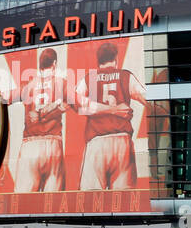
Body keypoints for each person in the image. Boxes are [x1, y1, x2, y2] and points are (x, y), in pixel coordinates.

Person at [75, 42, 148, 190]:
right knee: (123, 198)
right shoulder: (125, 75)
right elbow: (148, 99)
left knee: (91, 198)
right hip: (122, 141)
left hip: (97, 141)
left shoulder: (88, 78)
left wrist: (105, 109)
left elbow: (77, 103)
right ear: (116, 59)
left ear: (98, 61)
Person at [16, 48, 68, 192]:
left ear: (40, 65)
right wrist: (53, 109)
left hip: (30, 144)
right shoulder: (62, 83)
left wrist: (39, 115)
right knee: (52, 204)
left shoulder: (28, 85)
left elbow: (4, 97)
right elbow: (74, 104)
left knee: (23, 203)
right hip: (53, 143)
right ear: (55, 63)